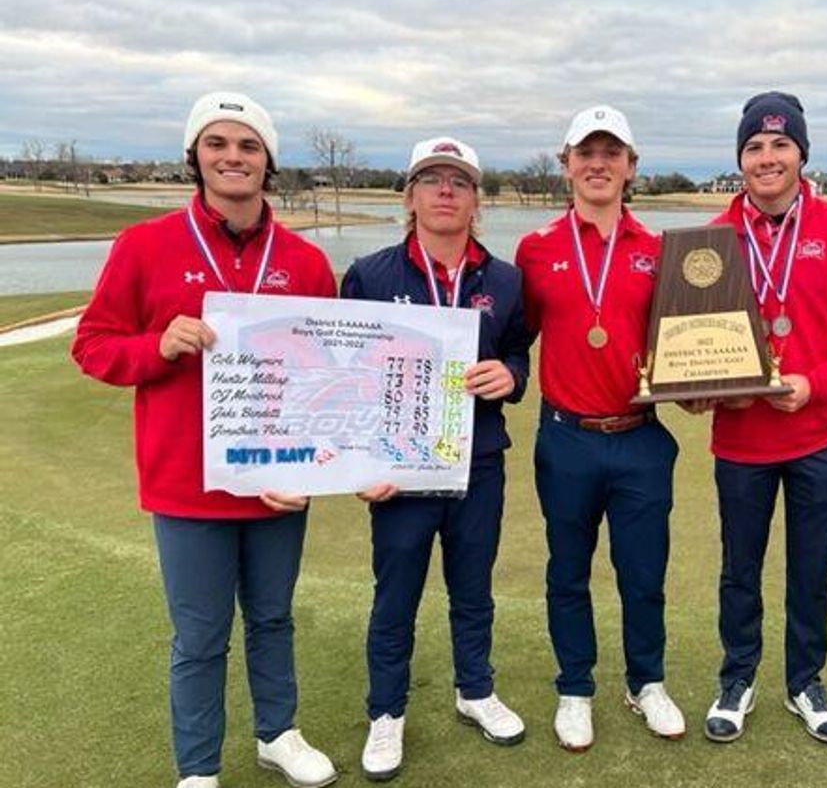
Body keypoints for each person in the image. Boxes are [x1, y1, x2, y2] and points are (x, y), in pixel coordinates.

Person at [71, 92, 338, 788]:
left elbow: (329, 374)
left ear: (268, 161)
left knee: (275, 617)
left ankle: (278, 732)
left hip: (278, 480)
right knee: (200, 637)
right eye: (218, 144)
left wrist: (317, 463)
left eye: (248, 146)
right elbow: (94, 346)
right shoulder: (145, 245)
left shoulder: (306, 261)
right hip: (186, 484)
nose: (233, 157)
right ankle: (197, 768)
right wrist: (157, 346)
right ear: (196, 156)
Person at [683, 91, 827, 745]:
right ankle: (737, 676)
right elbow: (690, 343)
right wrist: (705, 390)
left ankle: (805, 680)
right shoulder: (706, 239)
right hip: (741, 443)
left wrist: (816, 383)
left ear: (801, 152)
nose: (767, 157)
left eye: (780, 144)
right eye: (753, 147)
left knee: (811, 568)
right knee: (739, 569)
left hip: (821, 436)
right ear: (740, 159)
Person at [341, 136, 532, 781]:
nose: (445, 190)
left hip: (477, 463)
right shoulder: (371, 274)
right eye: (431, 179)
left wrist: (510, 374)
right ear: (411, 195)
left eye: (458, 181)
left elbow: (516, 353)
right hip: (399, 472)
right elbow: (349, 376)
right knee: (396, 596)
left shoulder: (504, 280)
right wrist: (361, 465)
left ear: (477, 199)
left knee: (473, 592)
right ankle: (386, 714)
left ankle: (474, 690)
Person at [514, 105, 685, 751]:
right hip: (566, 438)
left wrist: (696, 389)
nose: (598, 164)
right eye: (586, 152)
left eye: (612, 153)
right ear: (566, 166)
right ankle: (575, 686)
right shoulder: (535, 250)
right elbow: (513, 336)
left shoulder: (661, 250)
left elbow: (680, 346)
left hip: (641, 435)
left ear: (631, 168)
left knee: (644, 572)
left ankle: (647, 680)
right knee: (568, 570)